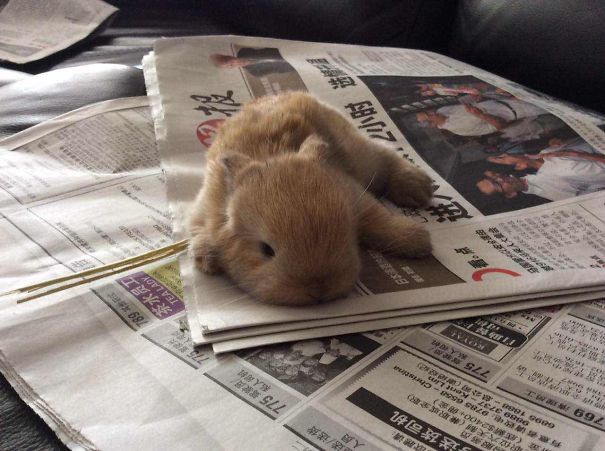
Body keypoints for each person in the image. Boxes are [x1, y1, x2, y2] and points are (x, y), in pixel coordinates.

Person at [477, 142, 605, 201]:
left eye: (494, 178)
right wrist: (577, 155)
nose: (500, 179)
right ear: (511, 194)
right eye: (498, 185)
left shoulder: (543, 157)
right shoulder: (553, 184)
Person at [416, 98, 546, 137]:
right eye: (429, 116)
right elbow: (501, 126)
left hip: (507, 98)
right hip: (520, 110)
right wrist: (480, 115)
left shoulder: (442, 109)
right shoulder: (459, 130)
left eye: (429, 111)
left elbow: (474, 102)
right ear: (432, 125)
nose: (433, 112)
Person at [210, 47, 294, 77]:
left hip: (285, 51)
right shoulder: (255, 73)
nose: (236, 64)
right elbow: (277, 70)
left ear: (231, 57)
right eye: (231, 66)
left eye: (231, 61)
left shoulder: (243, 52)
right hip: (290, 66)